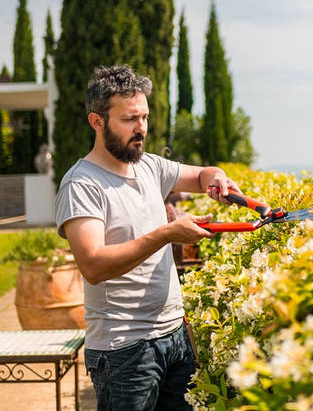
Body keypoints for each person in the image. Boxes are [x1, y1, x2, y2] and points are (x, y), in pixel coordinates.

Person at [55, 64, 238, 410]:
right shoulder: (82, 184)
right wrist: (167, 234)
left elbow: (200, 175)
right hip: (123, 351)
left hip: (175, 340)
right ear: (97, 122)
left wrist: (217, 176)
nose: (141, 129)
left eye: (145, 117)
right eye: (129, 120)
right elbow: (93, 265)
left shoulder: (149, 166)